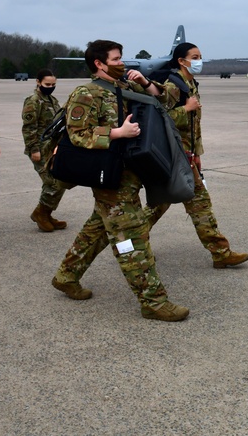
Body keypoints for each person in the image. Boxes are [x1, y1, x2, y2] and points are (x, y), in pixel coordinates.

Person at [50, 39, 189, 322]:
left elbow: (165, 100)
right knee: (131, 236)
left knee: (98, 228)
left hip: (131, 172)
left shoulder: (124, 85)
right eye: (115, 59)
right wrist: (116, 133)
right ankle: (152, 301)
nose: (121, 62)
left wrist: (146, 82)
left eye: (121, 58)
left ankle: (67, 275)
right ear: (99, 63)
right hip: (108, 175)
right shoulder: (85, 93)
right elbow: (77, 133)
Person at [144, 43, 248, 268]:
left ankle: (220, 252)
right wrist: (186, 109)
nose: (199, 60)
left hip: (186, 155)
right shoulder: (172, 86)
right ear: (181, 61)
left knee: (194, 204)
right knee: (166, 205)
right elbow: (161, 120)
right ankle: (134, 244)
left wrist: (197, 153)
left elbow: (194, 126)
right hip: (173, 156)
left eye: (200, 56)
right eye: (194, 56)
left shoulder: (190, 83)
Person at [21, 68, 73, 232]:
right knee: (52, 183)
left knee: (60, 181)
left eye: (53, 84)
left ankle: (46, 213)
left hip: (53, 148)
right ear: (38, 82)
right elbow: (29, 128)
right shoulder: (33, 101)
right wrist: (33, 149)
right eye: (47, 84)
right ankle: (41, 214)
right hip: (40, 148)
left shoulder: (51, 100)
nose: (50, 86)